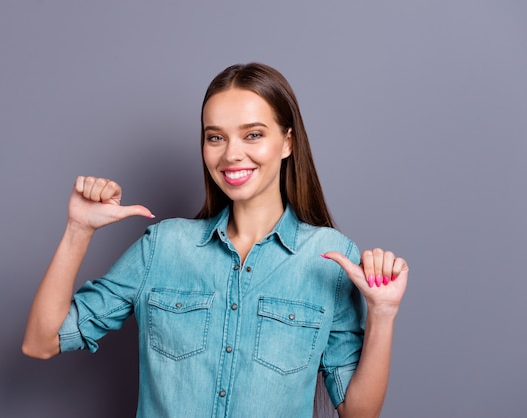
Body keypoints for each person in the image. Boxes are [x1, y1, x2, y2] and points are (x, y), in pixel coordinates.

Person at [22, 63, 408, 418]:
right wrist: (78, 230)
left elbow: (358, 413)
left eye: (252, 134)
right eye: (215, 137)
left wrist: (384, 314)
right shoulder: (164, 247)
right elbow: (41, 342)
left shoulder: (330, 258)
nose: (231, 154)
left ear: (287, 142)